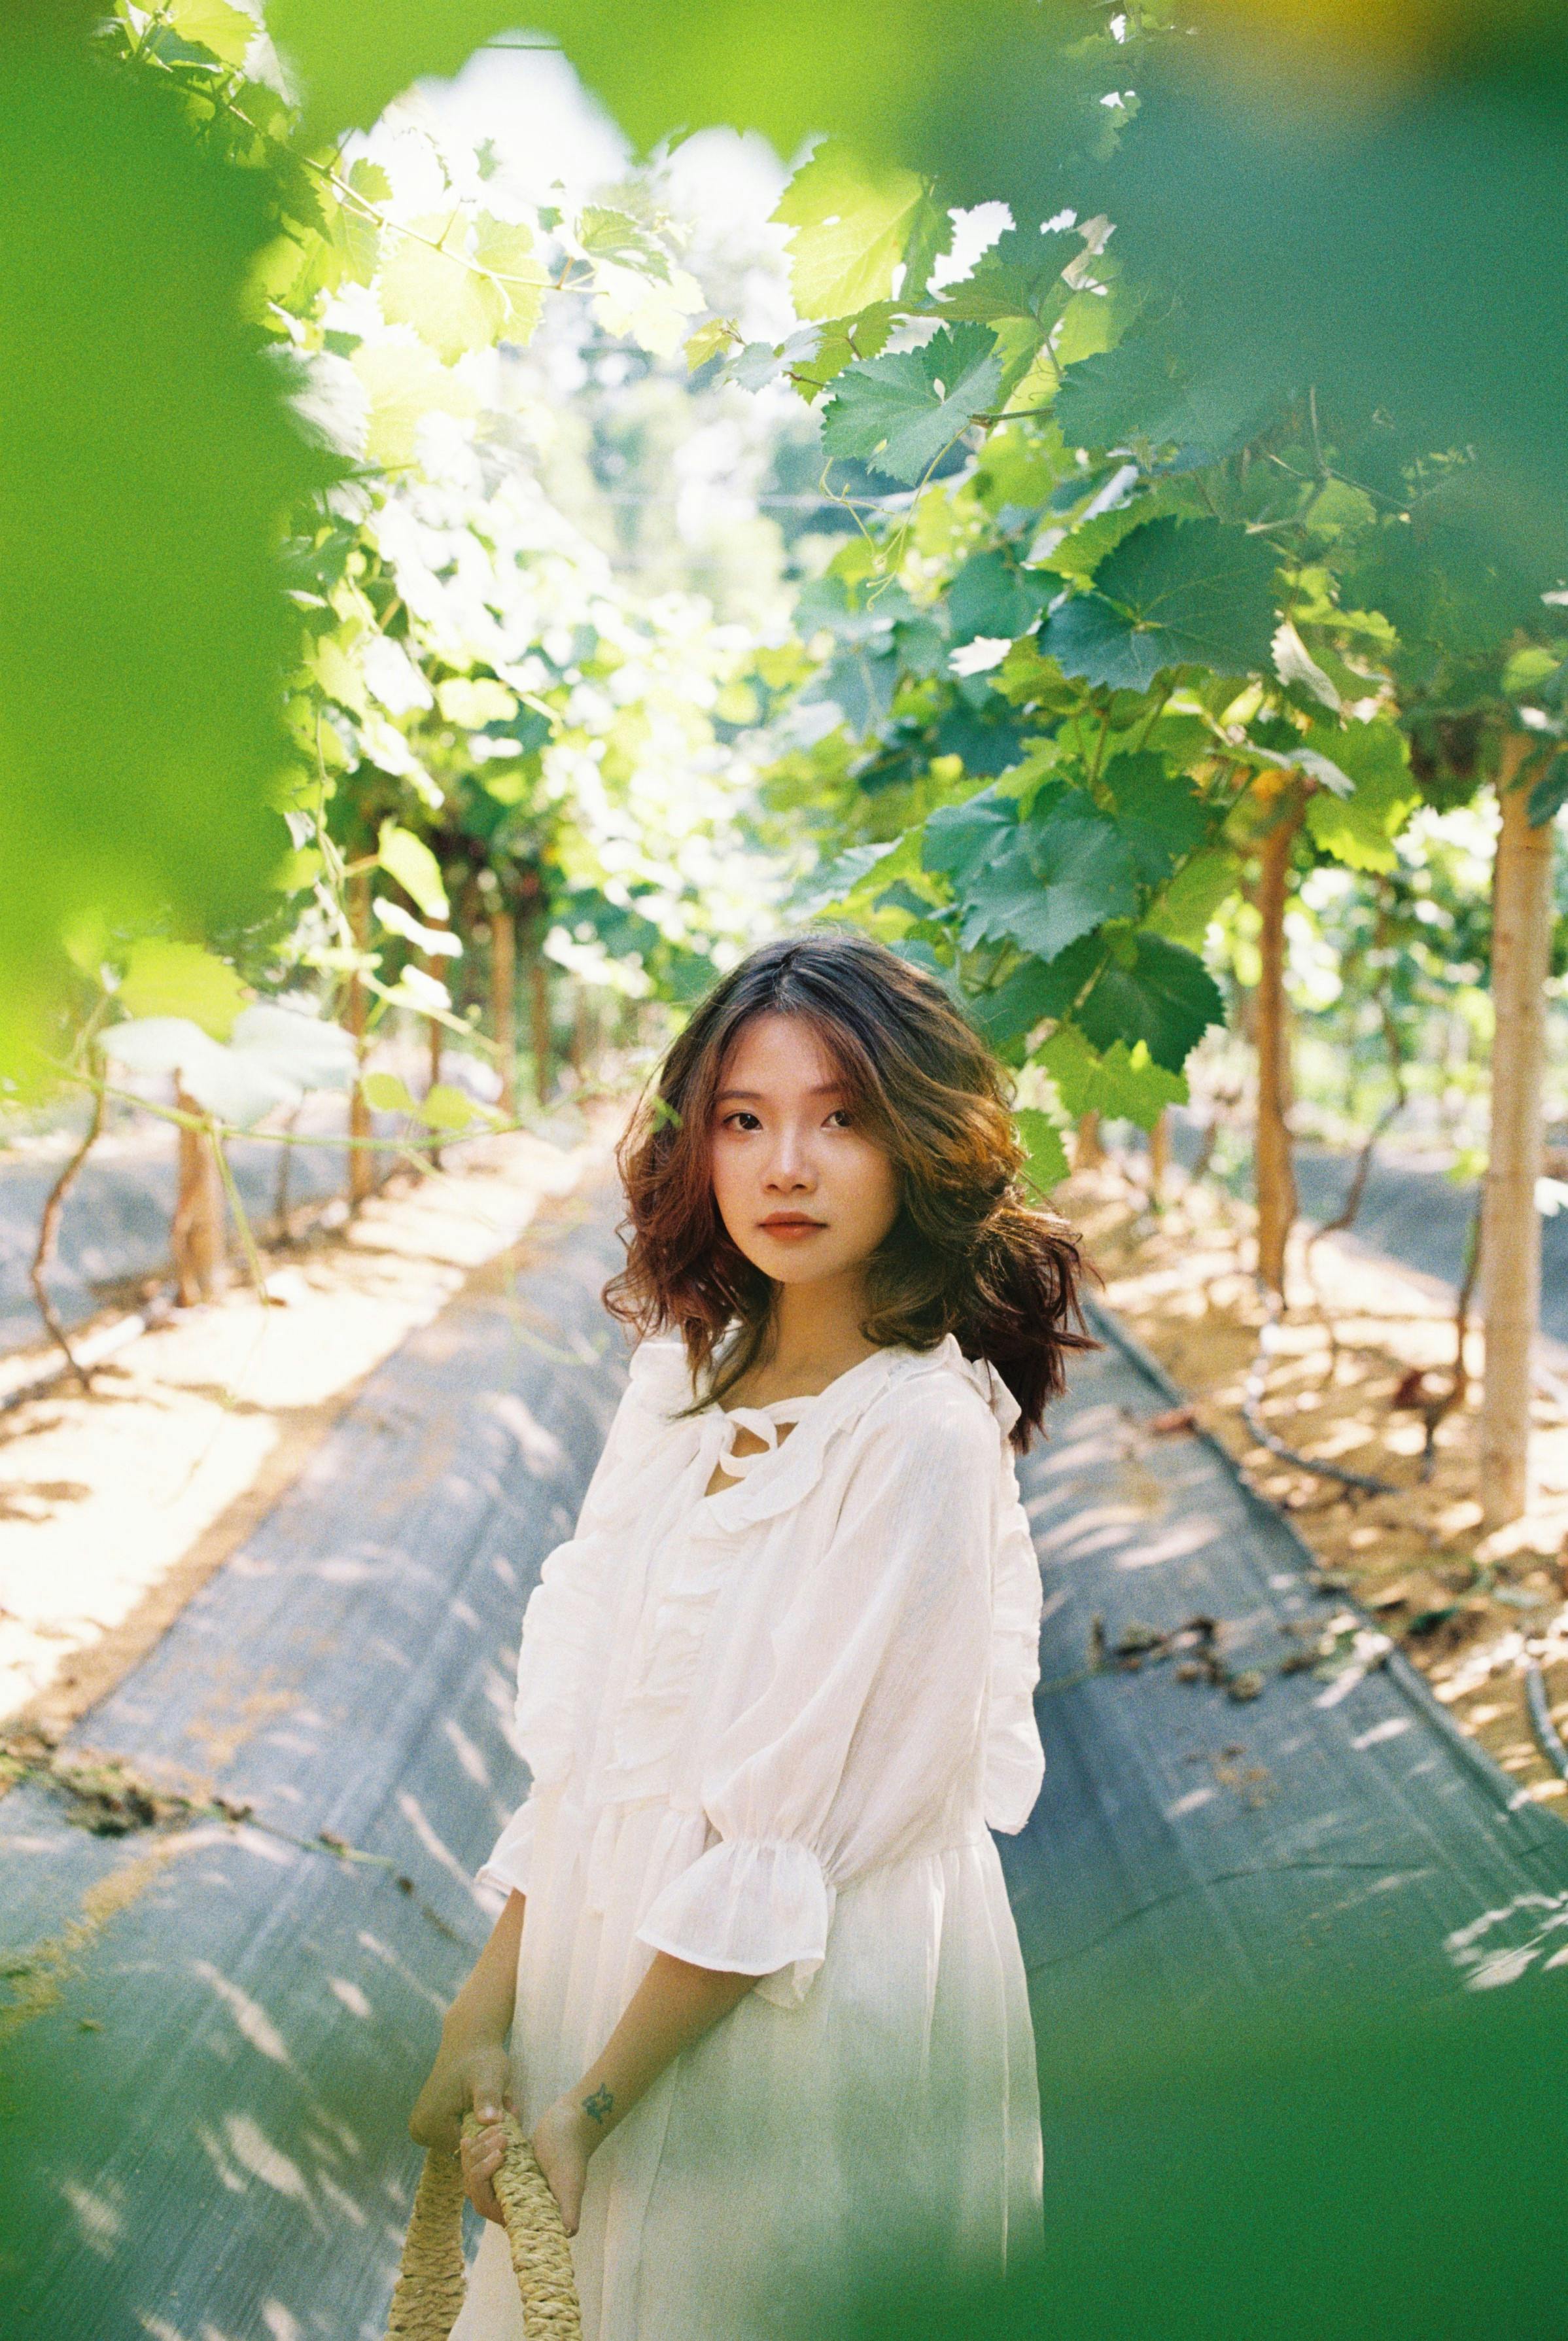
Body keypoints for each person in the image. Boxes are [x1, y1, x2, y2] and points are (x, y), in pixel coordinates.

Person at [408, 931, 1091, 2340]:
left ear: (919, 1144)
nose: (786, 1163)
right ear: (698, 1149)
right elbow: (597, 1756)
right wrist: (482, 2016)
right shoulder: (676, 1389)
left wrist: (590, 2105)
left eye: (839, 1116)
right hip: (609, 1993)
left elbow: (781, 1850)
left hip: (779, 2029)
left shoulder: (913, 1437)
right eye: (744, 1118)